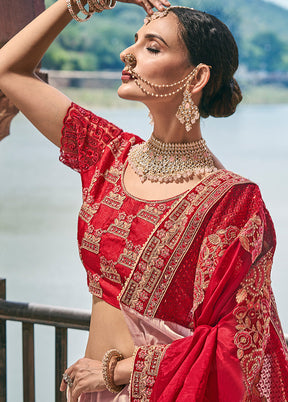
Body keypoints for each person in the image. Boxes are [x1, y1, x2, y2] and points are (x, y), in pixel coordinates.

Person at [0, 0, 288, 401]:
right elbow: (8, 70)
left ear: (196, 77)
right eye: (134, 42)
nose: (127, 53)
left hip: (159, 392)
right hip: (87, 392)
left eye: (151, 47)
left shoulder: (231, 201)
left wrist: (114, 371)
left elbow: (239, 338)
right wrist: (74, 4)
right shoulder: (108, 154)